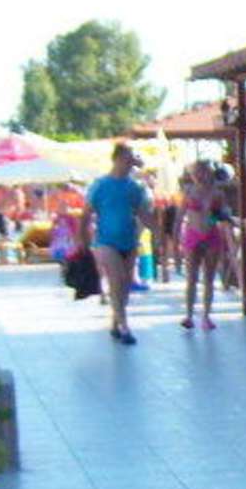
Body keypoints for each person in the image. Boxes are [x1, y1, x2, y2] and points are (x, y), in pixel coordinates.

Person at [83, 143, 152, 343]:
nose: (130, 164)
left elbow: (143, 213)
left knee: (125, 285)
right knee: (116, 280)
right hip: (106, 241)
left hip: (129, 241)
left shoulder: (134, 187)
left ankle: (115, 322)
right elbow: (86, 214)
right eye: (127, 160)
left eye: (131, 160)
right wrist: (82, 241)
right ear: (116, 159)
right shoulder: (100, 185)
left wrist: (156, 233)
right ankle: (125, 327)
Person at [178, 160, 231, 330]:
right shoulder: (188, 191)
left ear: (208, 173)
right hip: (193, 233)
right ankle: (189, 315)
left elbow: (222, 215)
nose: (199, 176)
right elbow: (181, 214)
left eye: (202, 172)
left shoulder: (217, 193)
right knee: (191, 277)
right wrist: (176, 233)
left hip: (211, 234)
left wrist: (214, 215)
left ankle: (206, 316)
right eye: (195, 173)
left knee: (209, 277)